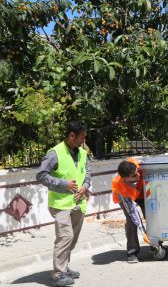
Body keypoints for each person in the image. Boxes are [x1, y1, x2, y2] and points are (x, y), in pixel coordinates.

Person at [36, 121, 90, 287]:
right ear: (71, 136)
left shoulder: (83, 152)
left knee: (71, 240)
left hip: (78, 203)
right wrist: (63, 184)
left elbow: (87, 173)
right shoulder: (54, 153)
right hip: (60, 204)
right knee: (65, 237)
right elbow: (41, 175)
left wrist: (85, 187)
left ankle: (64, 267)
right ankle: (58, 274)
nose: (84, 141)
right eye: (82, 137)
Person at [111, 158, 145, 264]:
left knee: (151, 215)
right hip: (127, 197)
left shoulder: (135, 165)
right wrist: (143, 230)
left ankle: (156, 244)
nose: (138, 176)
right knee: (131, 221)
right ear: (126, 178)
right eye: (134, 176)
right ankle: (132, 251)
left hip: (143, 192)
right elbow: (133, 214)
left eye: (137, 172)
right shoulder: (120, 188)